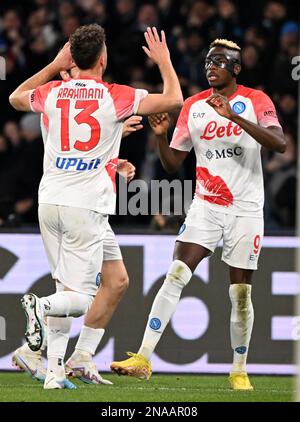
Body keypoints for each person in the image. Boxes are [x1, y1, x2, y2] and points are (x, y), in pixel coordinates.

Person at [9, 23, 183, 389]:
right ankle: (39, 317)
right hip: (84, 206)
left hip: (54, 198)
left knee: (116, 280)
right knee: (77, 295)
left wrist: (112, 160)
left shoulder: (53, 94)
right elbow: (172, 99)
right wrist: (164, 61)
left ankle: (67, 365)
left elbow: (19, 100)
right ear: (103, 58)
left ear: (71, 59)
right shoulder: (112, 95)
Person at [110, 38, 286, 390]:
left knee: (240, 293)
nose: (211, 66)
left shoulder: (256, 101)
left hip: (246, 208)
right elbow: (173, 164)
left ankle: (239, 369)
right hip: (206, 205)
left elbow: (278, 144)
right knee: (176, 273)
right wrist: (160, 137)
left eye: (220, 61)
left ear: (236, 69)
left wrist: (233, 116)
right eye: (208, 61)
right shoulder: (193, 106)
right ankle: (144, 357)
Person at [12, 116, 139, 386]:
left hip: (94, 206)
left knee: (117, 281)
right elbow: (72, 155)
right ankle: (40, 354)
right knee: (73, 295)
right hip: (78, 204)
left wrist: (114, 150)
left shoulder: (84, 103)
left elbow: (85, 150)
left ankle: (76, 358)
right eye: (68, 70)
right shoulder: (60, 102)